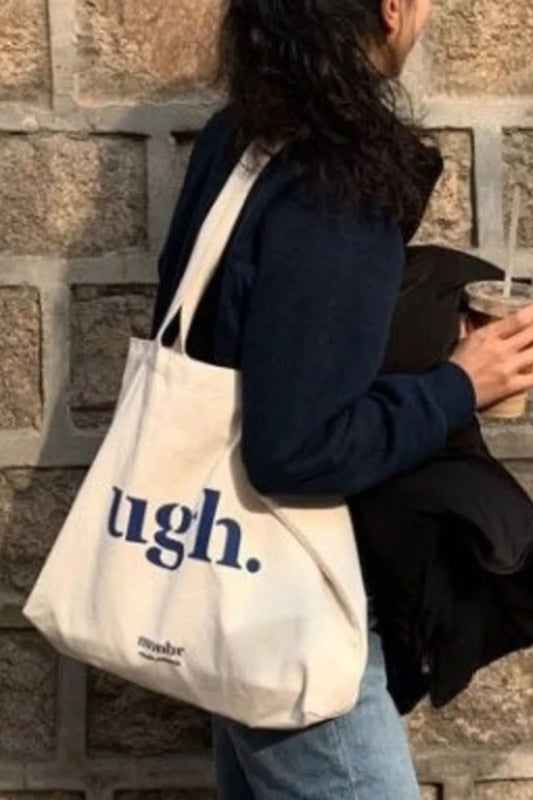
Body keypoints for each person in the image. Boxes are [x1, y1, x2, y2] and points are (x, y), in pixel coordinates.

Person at [151, 1, 533, 797]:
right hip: (291, 612)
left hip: (221, 574)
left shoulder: (241, 138)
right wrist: (460, 384)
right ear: (389, 8)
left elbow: (255, 338)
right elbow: (296, 450)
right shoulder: (338, 179)